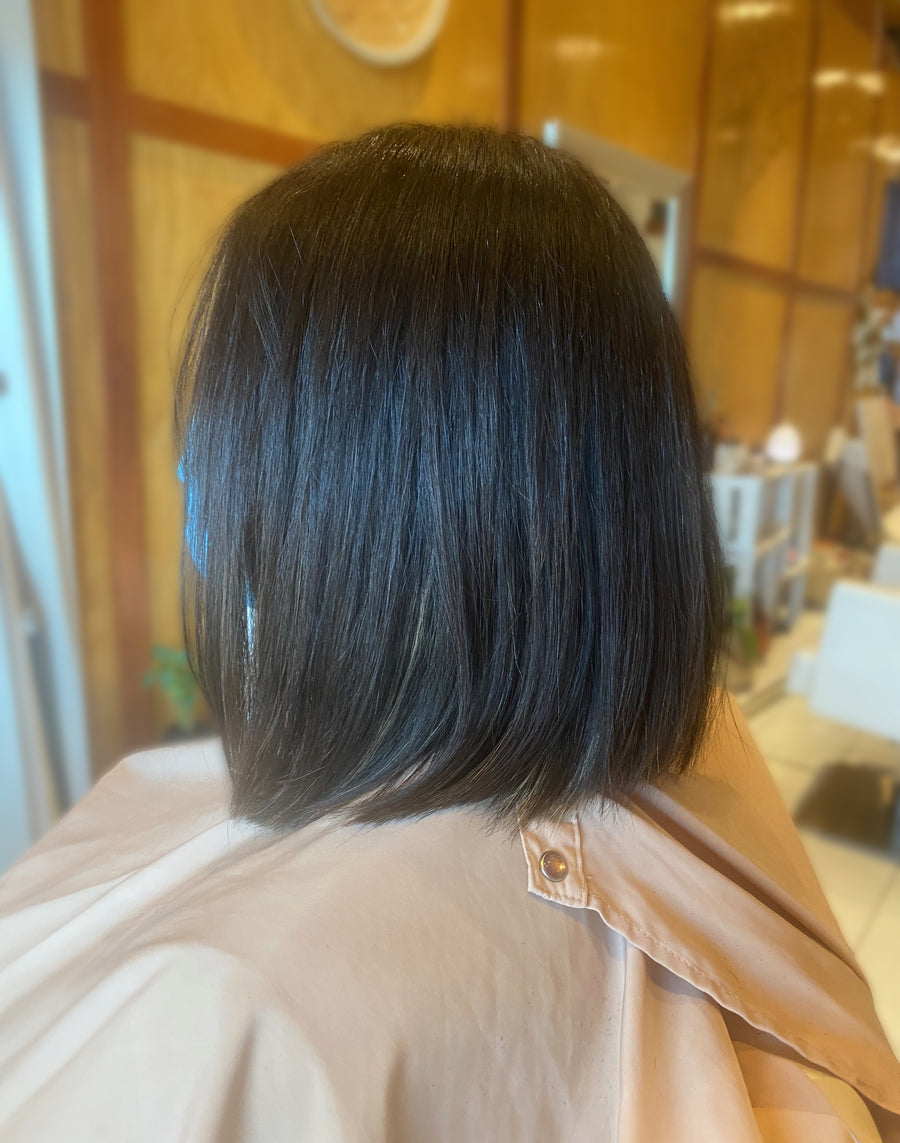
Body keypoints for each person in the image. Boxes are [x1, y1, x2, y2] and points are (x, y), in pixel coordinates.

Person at [0, 124, 897, 1141]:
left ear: (346, 482)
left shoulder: (237, 1007)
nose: (190, 470)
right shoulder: (708, 744)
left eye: (230, 420)